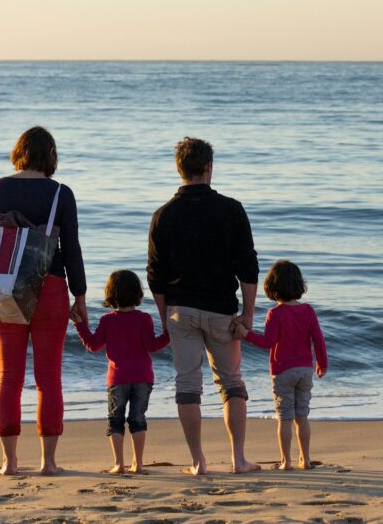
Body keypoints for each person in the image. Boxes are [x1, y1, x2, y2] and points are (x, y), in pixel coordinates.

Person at [147, 136, 261, 475]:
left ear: (179, 169)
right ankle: (238, 459)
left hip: (180, 309)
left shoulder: (163, 215)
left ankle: (198, 462)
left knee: (187, 386)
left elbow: (155, 275)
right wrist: (249, 314)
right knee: (232, 383)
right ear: (209, 167)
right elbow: (248, 267)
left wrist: (164, 316)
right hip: (221, 310)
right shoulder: (231, 209)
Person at [0, 126, 88, 476]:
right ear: (50, 156)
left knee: (8, 376)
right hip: (50, 288)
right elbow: (71, 248)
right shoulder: (60, 194)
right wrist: (80, 295)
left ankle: (9, 463)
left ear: (18, 152)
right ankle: (48, 463)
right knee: (48, 377)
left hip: (3, 285)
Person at [72, 270, 170, 474]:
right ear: (137, 293)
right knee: (137, 418)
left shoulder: (108, 320)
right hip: (143, 376)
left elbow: (93, 345)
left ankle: (119, 464)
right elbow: (152, 346)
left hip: (117, 378)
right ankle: (139, 463)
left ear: (110, 294)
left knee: (115, 419)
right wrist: (170, 334)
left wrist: (80, 324)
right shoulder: (144, 319)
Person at [233, 260, 327, 470]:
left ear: (272, 288)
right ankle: (307, 459)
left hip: (283, 370)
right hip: (305, 370)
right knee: (302, 416)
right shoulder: (308, 311)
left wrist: (246, 335)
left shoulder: (275, 314)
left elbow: (267, 342)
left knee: (285, 417)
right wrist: (322, 362)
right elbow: (318, 339)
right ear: (299, 286)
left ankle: (286, 461)